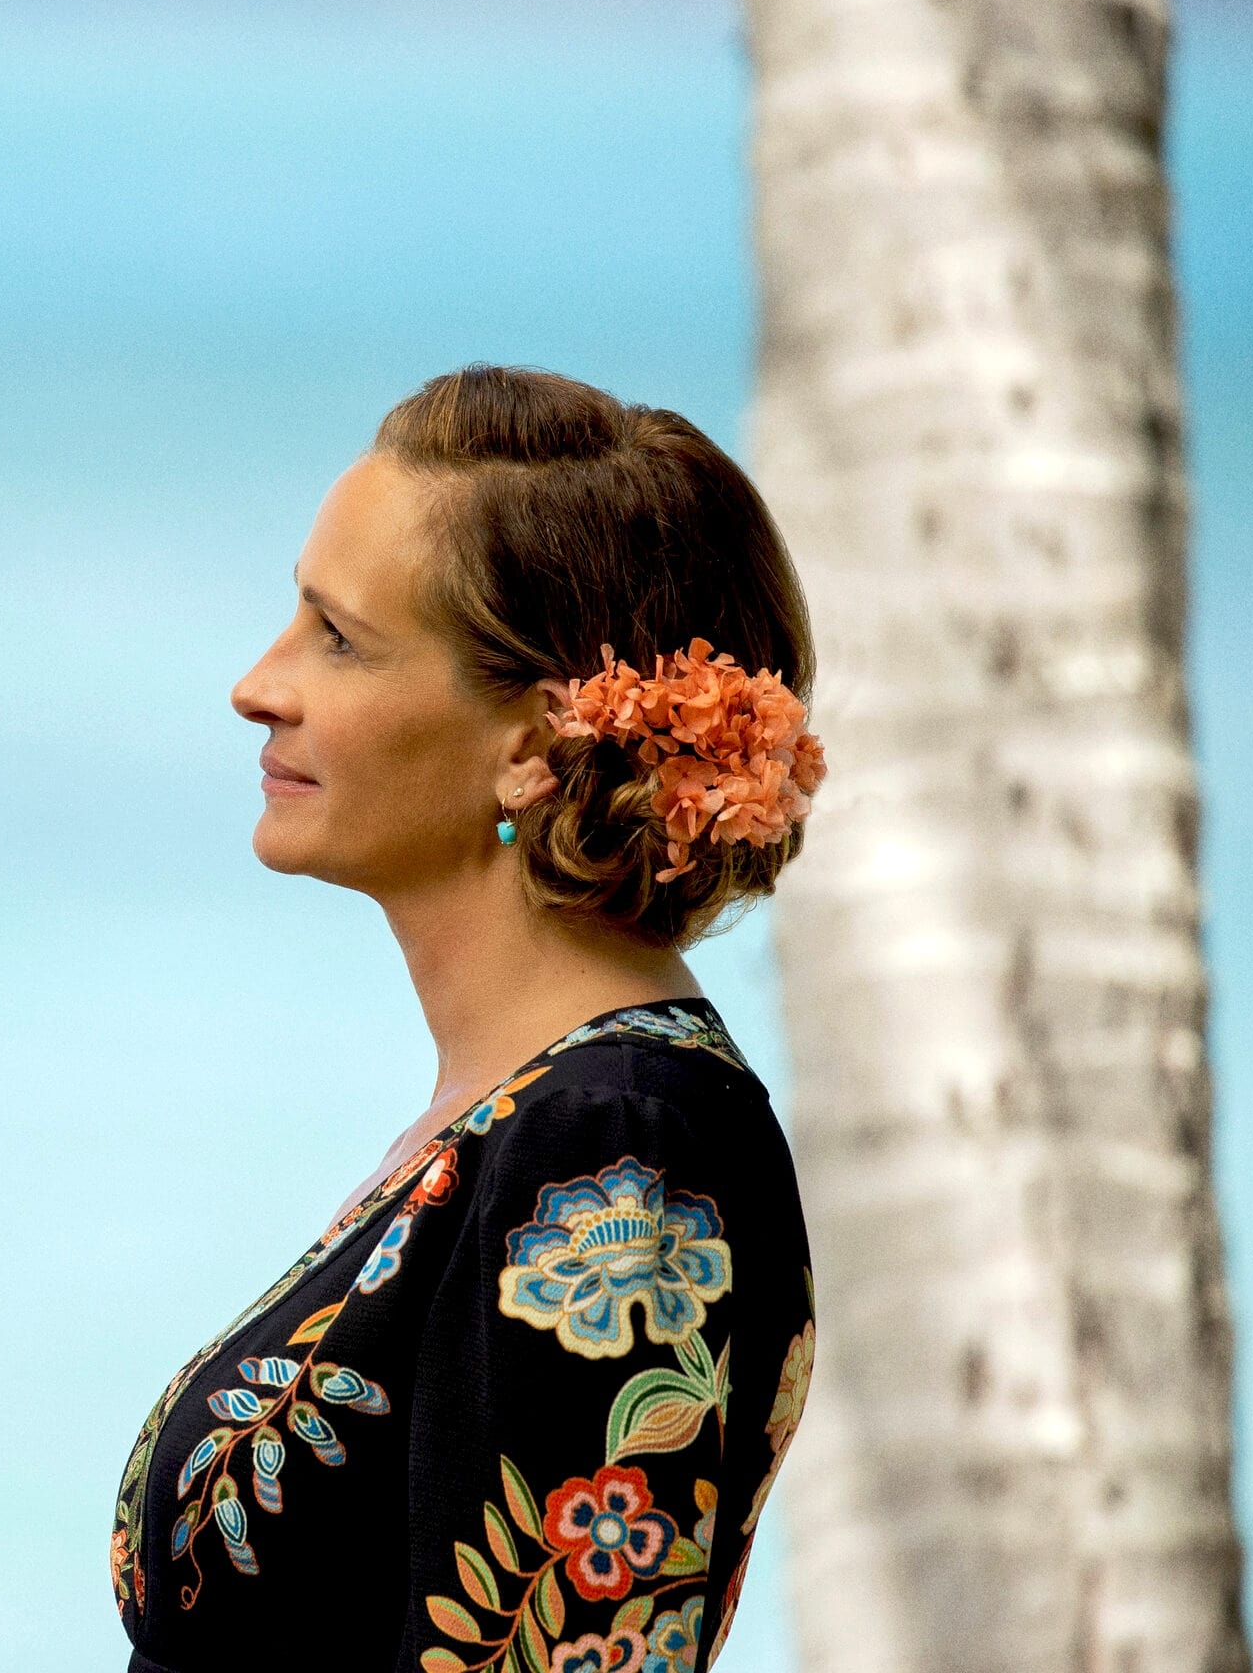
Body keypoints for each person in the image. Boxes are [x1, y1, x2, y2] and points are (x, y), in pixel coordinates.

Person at [109, 367, 823, 1673]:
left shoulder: (614, 1151)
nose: (257, 685)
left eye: (339, 639)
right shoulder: (529, 1118)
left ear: (533, 744)